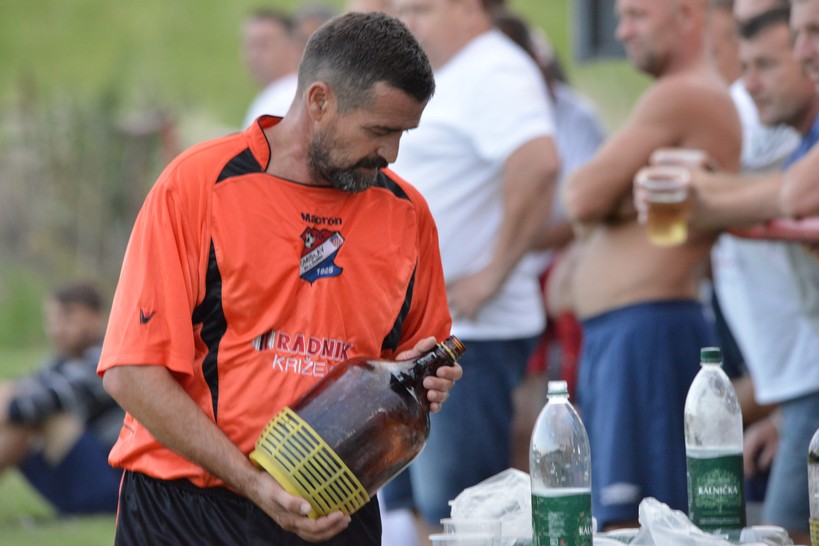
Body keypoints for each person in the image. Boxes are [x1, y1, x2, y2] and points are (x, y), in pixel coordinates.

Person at [97, 12, 462, 546]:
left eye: (403, 133)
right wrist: (253, 483)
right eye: (379, 131)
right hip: (185, 510)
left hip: (331, 511)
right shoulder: (198, 186)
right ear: (319, 101)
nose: (391, 154)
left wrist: (430, 381)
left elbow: (413, 369)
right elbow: (131, 373)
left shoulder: (408, 215)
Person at [561, 0, 742, 528]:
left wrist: (613, 198)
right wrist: (624, 195)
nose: (622, 31)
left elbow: (580, 197)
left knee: (642, 527)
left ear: (686, 15)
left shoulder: (683, 94)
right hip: (631, 336)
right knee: (628, 523)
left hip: (646, 337)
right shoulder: (680, 95)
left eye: (637, 15)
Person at [382, 0, 560, 536]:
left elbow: (538, 162)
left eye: (421, 8)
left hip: (467, 336)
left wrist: (494, 272)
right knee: (419, 509)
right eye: (400, 9)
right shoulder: (457, 72)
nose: (407, 21)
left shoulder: (496, 68)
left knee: (461, 514)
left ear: (468, 8)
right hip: (424, 334)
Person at [687, 7, 819, 540]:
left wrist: (701, 197)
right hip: (801, 393)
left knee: (783, 533)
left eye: (766, 64)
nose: (749, 84)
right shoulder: (800, 140)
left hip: (808, 384)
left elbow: (794, 194)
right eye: (743, 67)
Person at [0, 281, 123, 515]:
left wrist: (8, 402)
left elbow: (43, 401)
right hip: (83, 481)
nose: (57, 329)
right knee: (13, 395)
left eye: (68, 318)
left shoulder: (109, 358)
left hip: (113, 485)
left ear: (97, 317)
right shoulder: (59, 363)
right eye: (52, 319)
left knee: (41, 414)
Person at [241, 9, 301, 129]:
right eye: (250, 45)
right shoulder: (272, 95)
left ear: (293, 46)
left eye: (264, 44)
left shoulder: (289, 98)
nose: (254, 55)